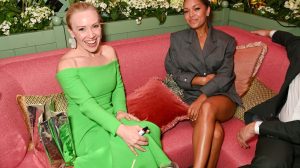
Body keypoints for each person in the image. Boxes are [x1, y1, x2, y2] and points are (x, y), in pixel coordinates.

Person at [56, 2, 178, 168]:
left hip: (113, 118)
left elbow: (118, 87)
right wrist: (121, 130)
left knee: (146, 131)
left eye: (95, 26)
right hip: (86, 127)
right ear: (71, 32)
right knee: (122, 145)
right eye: (82, 29)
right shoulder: (67, 65)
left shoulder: (109, 52)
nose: (91, 35)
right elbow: (87, 106)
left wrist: (120, 111)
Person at [165, 0, 242, 167]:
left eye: (196, 9)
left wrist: (203, 96)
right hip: (191, 97)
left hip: (222, 96)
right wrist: (199, 80)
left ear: (207, 11)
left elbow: (225, 75)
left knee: (206, 106)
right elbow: (172, 71)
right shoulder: (177, 39)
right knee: (215, 133)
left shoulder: (226, 41)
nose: (191, 15)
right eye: (186, 11)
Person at [237, 30, 300, 168]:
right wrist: (269, 32)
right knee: (269, 165)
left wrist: (256, 127)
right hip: (278, 130)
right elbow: (290, 39)